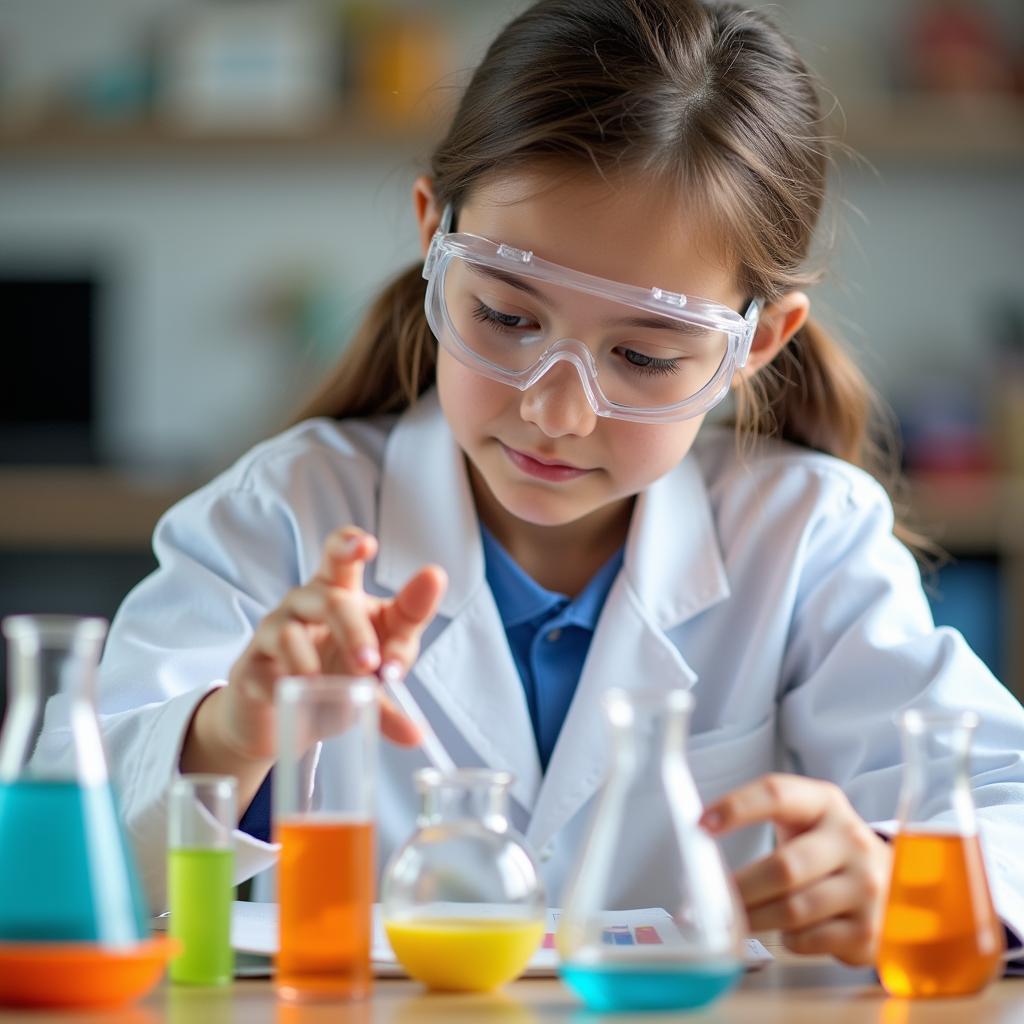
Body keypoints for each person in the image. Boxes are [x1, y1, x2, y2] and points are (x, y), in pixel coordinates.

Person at [35, 0, 1024, 967]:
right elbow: (47, 860)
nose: (557, 412)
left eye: (642, 356)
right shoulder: (284, 513)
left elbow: (998, 802)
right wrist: (227, 730)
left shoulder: (805, 536)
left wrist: (901, 881)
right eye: (507, 319)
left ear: (756, 344)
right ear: (432, 241)